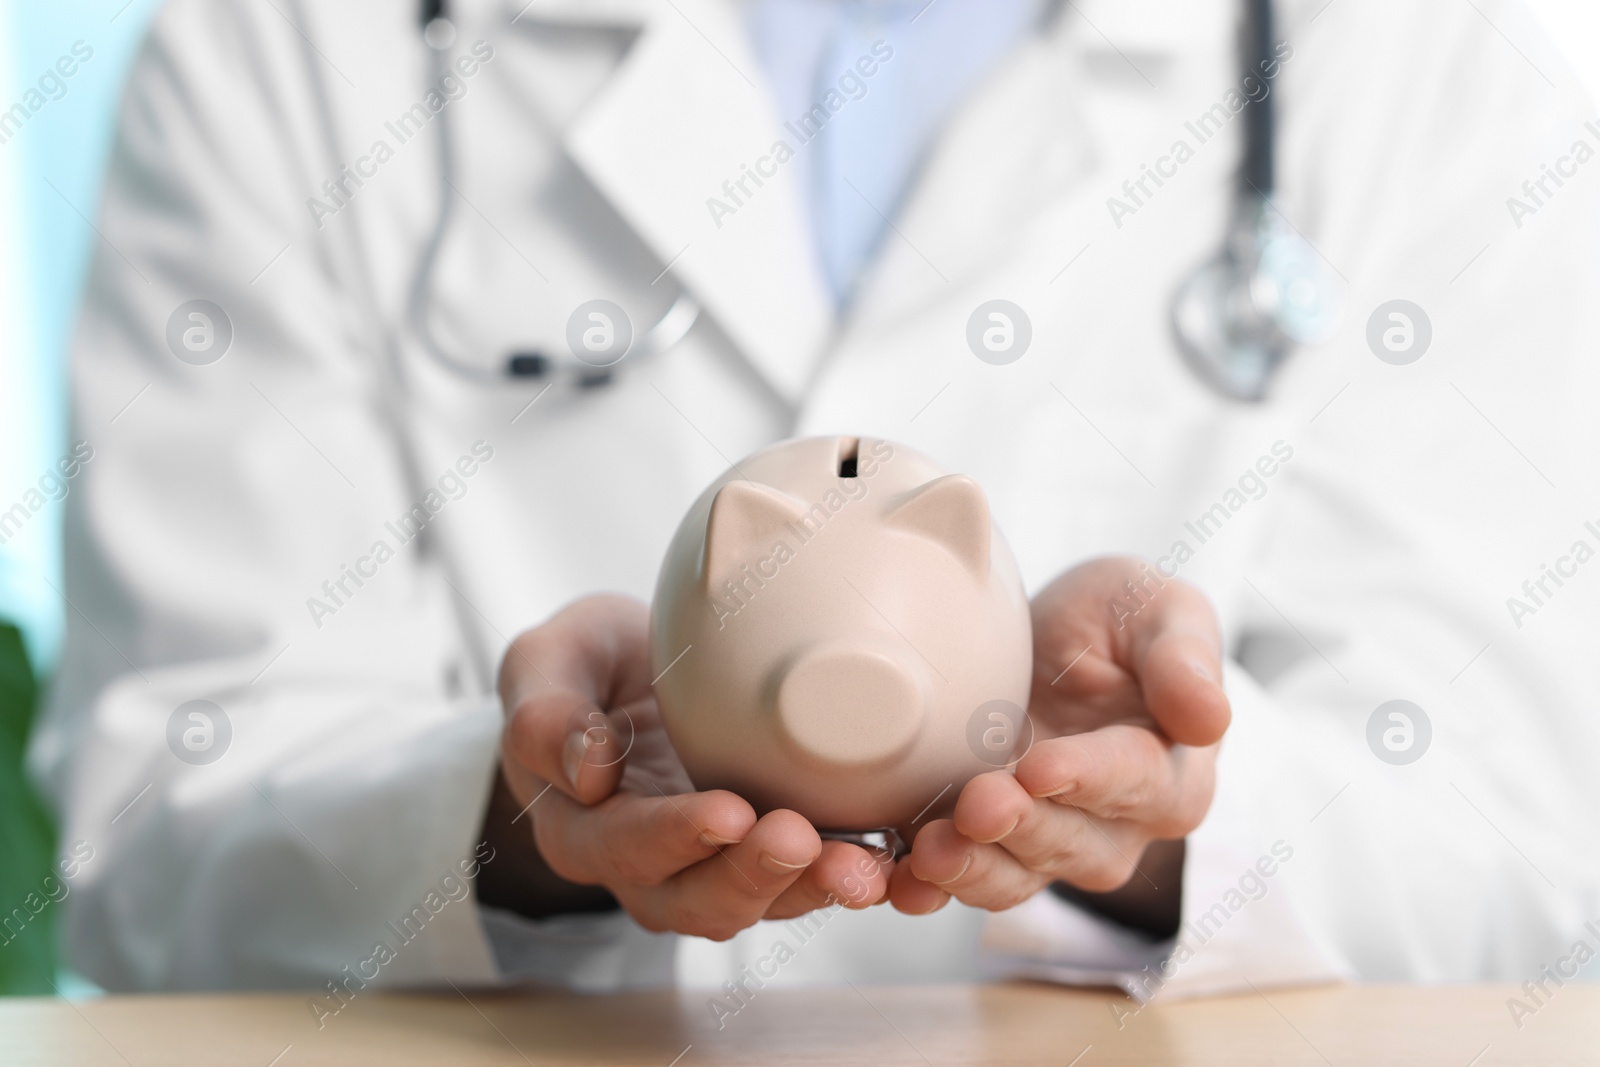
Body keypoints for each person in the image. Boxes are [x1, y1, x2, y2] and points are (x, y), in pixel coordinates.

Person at [29, 0, 1600, 1003]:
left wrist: (1161, 818)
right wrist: (519, 826)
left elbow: (1522, 866)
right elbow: (152, 840)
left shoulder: (1416, 64)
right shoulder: (290, 45)